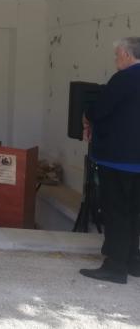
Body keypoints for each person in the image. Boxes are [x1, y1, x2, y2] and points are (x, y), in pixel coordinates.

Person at [80, 37, 140, 285]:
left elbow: (100, 109)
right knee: (134, 211)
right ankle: (133, 261)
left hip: (118, 159)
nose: (116, 60)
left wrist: (87, 115)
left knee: (116, 212)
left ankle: (115, 266)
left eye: (117, 55)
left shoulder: (124, 78)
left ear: (126, 54)